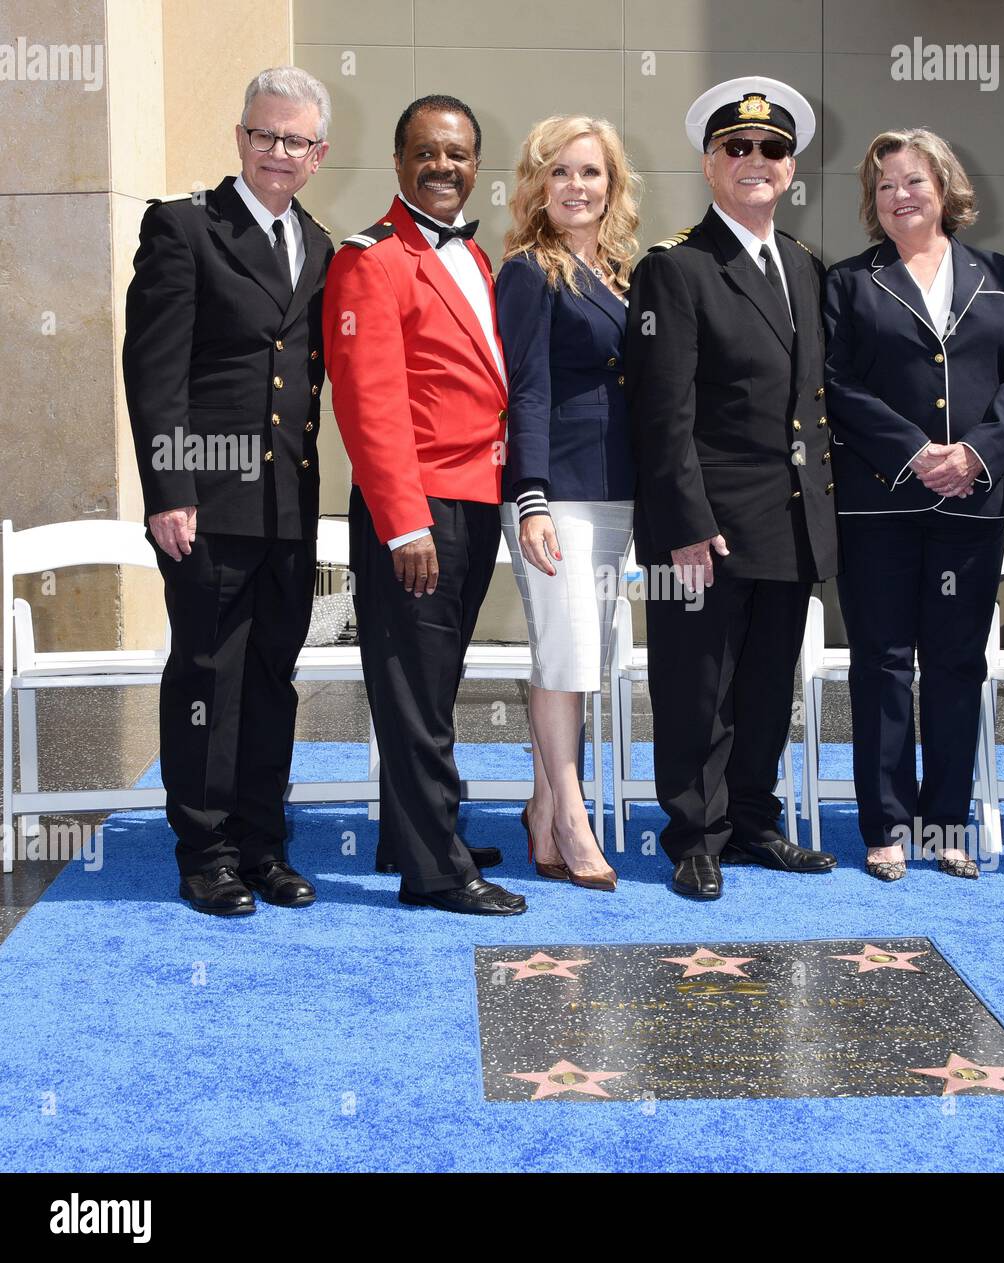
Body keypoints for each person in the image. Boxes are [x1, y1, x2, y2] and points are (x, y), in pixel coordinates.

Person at [123, 67, 333, 916]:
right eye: (263, 134)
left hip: (287, 506)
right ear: (240, 137)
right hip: (207, 501)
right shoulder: (184, 228)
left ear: (319, 154)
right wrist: (169, 489)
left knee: (272, 680)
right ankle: (205, 851)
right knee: (210, 675)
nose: (277, 152)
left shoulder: (319, 246)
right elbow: (155, 368)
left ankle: (262, 843)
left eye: (295, 140)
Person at [625, 77, 839, 900]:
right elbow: (661, 413)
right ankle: (694, 836)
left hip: (787, 521)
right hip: (704, 526)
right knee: (695, 685)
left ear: (790, 169)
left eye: (772, 150)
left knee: (763, 683)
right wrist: (684, 521)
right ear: (710, 164)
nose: (756, 161)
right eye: (737, 148)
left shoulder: (803, 268)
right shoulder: (677, 269)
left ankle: (752, 821)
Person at [323, 94, 525, 916]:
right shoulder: (370, 259)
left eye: (458, 154)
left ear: (478, 165)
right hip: (416, 510)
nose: (443, 167)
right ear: (399, 162)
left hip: (473, 500)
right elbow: (367, 403)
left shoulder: (472, 260)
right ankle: (435, 869)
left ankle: (413, 833)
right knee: (411, 686)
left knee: (433, 682)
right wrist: (403, 520)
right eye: (426, 153)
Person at [823, 128, 1004, 882]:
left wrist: (976, 453)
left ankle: (946, 823)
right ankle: (885, 825)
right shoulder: (848, 283)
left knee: (955, 663)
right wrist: (915, 453)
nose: (900, 196)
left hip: (972, 504)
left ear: (945, 188)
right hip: (880, 504)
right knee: (882, 662)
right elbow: (836, 384)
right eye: (885, 186)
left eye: (913, 181)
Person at [496, 115, 641, 892]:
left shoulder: (622, 273)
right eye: (559, 172)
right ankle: (573, 817)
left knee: (579, 660)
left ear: (612, 185)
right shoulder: (528, 272)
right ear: (536, 186)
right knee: (566, 652)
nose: (575, 187)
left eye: (590, 173)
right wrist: (532, 499)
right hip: (556, 497)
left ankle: (543, 804)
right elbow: (526, 392)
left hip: (615, 495)